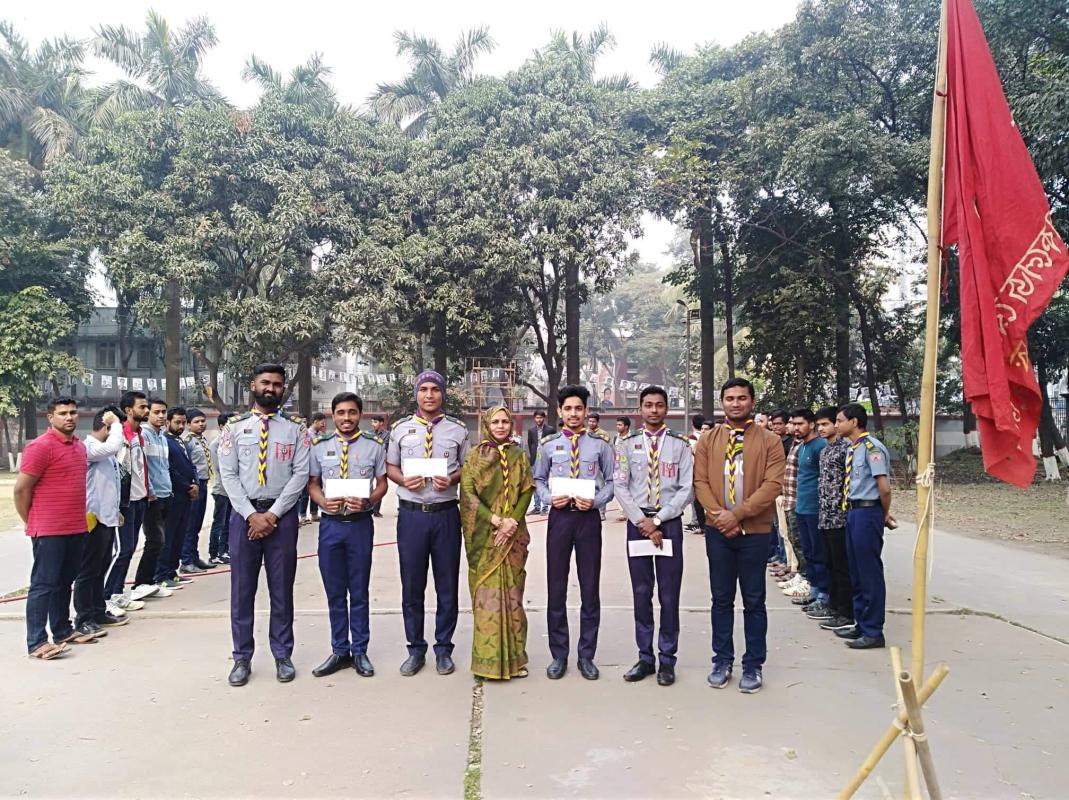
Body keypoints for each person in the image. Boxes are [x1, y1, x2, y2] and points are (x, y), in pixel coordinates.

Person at [218, 363, 311, 686]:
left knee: (281, 589)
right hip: (244, 518)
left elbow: (300, 474)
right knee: (242, 590)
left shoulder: (296, 429)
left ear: (284, 390)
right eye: (265, 383)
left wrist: (272, 515)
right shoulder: (234, 428)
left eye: (277, 385)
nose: (271, 389)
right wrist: (250, 515)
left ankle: (282, 654)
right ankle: (241, 658)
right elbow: (227, 474)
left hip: (281, 519)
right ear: (253, 385)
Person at [694, 378, 785, 694]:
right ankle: (722, 660)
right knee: (720, 599)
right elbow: (700, 482)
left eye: (742, 398)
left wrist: (739, 514)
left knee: (754, 599)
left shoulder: (770, 441)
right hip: (718, 532)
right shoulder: (709, 440)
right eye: (730, 398)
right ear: (722, 403)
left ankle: (753, 664)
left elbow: (773, 485)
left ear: (752, 401)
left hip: (755, 532)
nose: (736, 403)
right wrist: (721, 517)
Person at [385, 370, 469, 677]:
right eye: (424, 390)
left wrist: (454, 477)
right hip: (411, 515)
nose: (429, 395)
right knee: (412, 585)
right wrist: (404, 479)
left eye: (435, 389)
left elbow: (467, 468)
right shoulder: (400, 429)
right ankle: (415, 649)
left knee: (447, 585)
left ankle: (444, 649)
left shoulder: (457, 430)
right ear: (416, 394)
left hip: (446, 513)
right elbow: (390, 466)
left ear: (442, 393)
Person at [533, 384, 614, 681]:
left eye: (579, 408)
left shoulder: (600, 445)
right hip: (560, 519)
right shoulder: (548, 445)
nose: (573, 414)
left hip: (588, 520)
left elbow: (611, 483)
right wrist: (546, 498)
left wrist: (597, 501)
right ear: (560, 411)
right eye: (568, 409)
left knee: (589, 587)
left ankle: (586, 655)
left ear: (586, 411)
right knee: (557, 587)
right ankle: (559, 654)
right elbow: (538, 479)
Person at [613, 386, 693, 687]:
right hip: (638, 524)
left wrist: (658, 520)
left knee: (669, 595)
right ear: (640, 409)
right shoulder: (626, 445)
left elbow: (688, 488)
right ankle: (645, 657)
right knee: (641, 592)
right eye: (648, 405)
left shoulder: (680, 445)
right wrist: (642, 521)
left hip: (668, 522)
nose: (654, 411)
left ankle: (667, 659)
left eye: (659, 405)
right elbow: (620, 484)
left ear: (667, 408)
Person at [307, 392, 388, 679]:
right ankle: (339, 649)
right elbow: (313, 484)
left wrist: (368, 501)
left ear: (360, 415)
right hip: (330, 526)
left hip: (360, 525)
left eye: (352, 412)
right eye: (341, 412)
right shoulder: (319, 446)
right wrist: (321, 501)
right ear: (332, 415)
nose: (346, 418)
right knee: (335, 591)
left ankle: (360, 650)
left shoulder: (374, 446)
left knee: (359, 590)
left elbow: (382, 484)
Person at [15, 398, 95, 658]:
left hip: (75, 526)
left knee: (64, 582)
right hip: (48, 530)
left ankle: (62, 630)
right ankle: (36, 642)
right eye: (62, 413)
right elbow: (21, 490)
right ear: (50, 417)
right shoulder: (40, 447)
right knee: (43, 584)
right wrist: (33, 520)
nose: (69, 417)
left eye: (73, 412)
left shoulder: (79, 447)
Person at [460, 406, 535, 680]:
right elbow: (467, 496)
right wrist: (495, 521)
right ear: (486, 424)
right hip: (486, 537)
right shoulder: (474, 457)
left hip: (513, 535)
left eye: (505, 421)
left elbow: (527, 491)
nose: (501, 426)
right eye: (496, 421)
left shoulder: (519, 455)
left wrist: (512, 522)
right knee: (486, 599)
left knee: (514, 597)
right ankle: (486, 661)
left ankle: (516, 659)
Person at [835, 403, 895, 650]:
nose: (837, 425)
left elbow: (885, 487)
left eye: (839, 420)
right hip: (853, 511)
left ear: (854, 422)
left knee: (868, 571)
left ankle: (873, 631)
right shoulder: (854, 449)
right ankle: (861, 622)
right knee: (856, 571)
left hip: (868, 512)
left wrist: (883, 513)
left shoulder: (872, 448)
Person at [74, 406, 127, 638]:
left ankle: (97, 610)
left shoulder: (104, 454)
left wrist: (116, 511)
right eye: (116, 428)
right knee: (87, 572)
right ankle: (83, 617)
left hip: (107, 518)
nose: (119, 432)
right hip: (91, 519)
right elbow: (112, 446)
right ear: (106, 427)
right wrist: (115, 423)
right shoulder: (90, 448)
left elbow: (109, 485)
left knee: (99, 568)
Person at [103, 391, 159, 608]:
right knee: (122, 550)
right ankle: (105, 597)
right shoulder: (120, 435)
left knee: (131, 548)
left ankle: (117, 594)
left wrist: (147, 490)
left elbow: (139, 467)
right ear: (128, 410)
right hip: (124, 503)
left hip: (139, 499)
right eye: (142, 407)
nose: (146, 410)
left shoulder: (139, 435)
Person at [811, 406, 855, 632]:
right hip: (825, 515)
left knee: (841, 566)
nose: (822, 428)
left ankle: (845, 611)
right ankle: (833, 605)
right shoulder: (826, 450)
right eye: (818, 425)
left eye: (826, 424)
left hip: (840, 516)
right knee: (829, 563)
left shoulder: (845, 449)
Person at [789, 408, 829, 610]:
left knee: (819, 552)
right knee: (808, 552)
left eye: (800, 424)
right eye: (794, 424)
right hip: (801, 507)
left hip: (815, 509)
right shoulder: (802, 446)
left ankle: (824, 594)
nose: (796, 428)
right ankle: (813, 590)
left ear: (811, 424)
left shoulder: (819, 446)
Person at [133, 398, 173, 597]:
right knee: (155, 539)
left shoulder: (162, 437)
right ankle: (141, 582)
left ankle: (152, 580)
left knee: (161, 540)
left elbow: (164, 467)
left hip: (166, 493)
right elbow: (142, 466)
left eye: (164, 412)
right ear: (148, 414)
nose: (161, 416)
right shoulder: (144, 435)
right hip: (152, 496)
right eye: (156, 412)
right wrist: (149, 491)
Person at [154, 407, 197, 590]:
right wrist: (187, 486)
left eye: (183, 423)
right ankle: (161, 574)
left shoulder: (182, 442)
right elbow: (170, 469)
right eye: (177, 422)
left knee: (180, 535)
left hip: (187, 496)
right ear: (168, 422)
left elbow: (191, 465)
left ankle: (172, 571)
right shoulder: (165, 441)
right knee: (168, 537)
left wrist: (195, 483)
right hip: (174, 495)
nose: (181, 426)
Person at [180, 408, 214, 573]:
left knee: (197, 524)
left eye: (202, 421)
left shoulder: (202, 439)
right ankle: (186, 560)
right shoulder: (187, 441)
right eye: (196, 422)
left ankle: (194, 557)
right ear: (188, 425)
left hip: (204, 483)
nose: (201, 424)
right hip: (194, 484)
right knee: (190, 524)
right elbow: (186, 465)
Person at [207, 412, 233, 565]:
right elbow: (219, 468)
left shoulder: (232, 443)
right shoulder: (216, 444)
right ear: (222, 426)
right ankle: (214, 553)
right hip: (221, 489)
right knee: (219, 522)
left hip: (232, 491)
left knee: (228, 522)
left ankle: (225, 550)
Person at [299, 412, 329, 525]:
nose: (324, 424)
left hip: (318, 468)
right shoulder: (306, 434)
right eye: (322, 422)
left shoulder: (320, 434)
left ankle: (314, 513)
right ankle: (302, 515)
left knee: (317, 490)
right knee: (305, 493)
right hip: (307, 467)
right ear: (315, 421)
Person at [525, 410, 550, 515]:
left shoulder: (550, 430)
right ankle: (536, 507)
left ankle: (545, 507)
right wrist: (533, 456)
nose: (539, 419)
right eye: (537, 418)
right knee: (535, 482)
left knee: (544, 482)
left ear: (544, 418)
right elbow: (530, 444)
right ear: (534, 418)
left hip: (546, 459)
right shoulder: (531, 430)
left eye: (540, 417)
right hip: (535, 459)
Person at [686, 414, 706, 532]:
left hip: (695, 471)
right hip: (701, 471)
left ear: (693, 424)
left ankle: (696, 521)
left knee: (695, 498)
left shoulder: (692, 438)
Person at [369, 415, 389, 518]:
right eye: (372, 422)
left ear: (381, 423)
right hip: (369, 462)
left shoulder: (387, 435)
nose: (373, 424)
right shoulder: (369, 434)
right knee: (367, 484)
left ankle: (376, 510)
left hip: (381, 463)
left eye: (375, 422)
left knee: (380, 485)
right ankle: (366, 506)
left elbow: (387, 449)